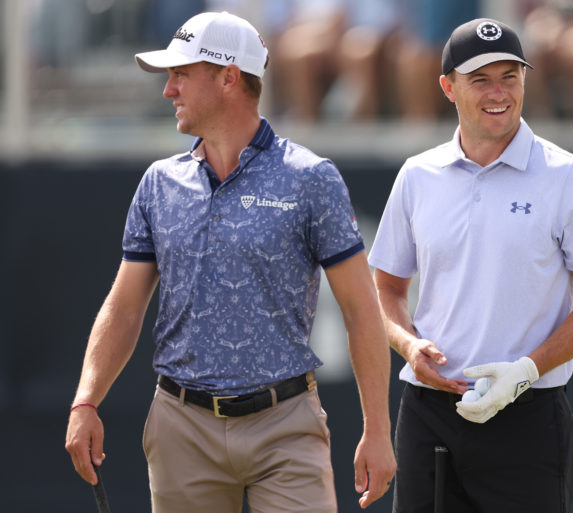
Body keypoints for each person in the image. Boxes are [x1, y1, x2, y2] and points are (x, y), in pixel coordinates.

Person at [64, 11, 395, 513]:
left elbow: (361, 309)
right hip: (181, 428)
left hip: (286, 426)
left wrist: (377, 429)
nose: (167, 90)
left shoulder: (311, 178)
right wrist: (86, 399)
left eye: (180, 75)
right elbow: (125, 306)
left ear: (228, 77)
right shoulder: (158, 183)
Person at [368, 18, 573, 512]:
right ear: (448, 87)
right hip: (427, 413)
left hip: (527, 418)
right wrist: (408, 343)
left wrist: (525, 371)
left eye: (510, 76)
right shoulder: (418, 176)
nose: (498, 92)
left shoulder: (569, 176)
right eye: (480, 79)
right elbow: (386, 289)